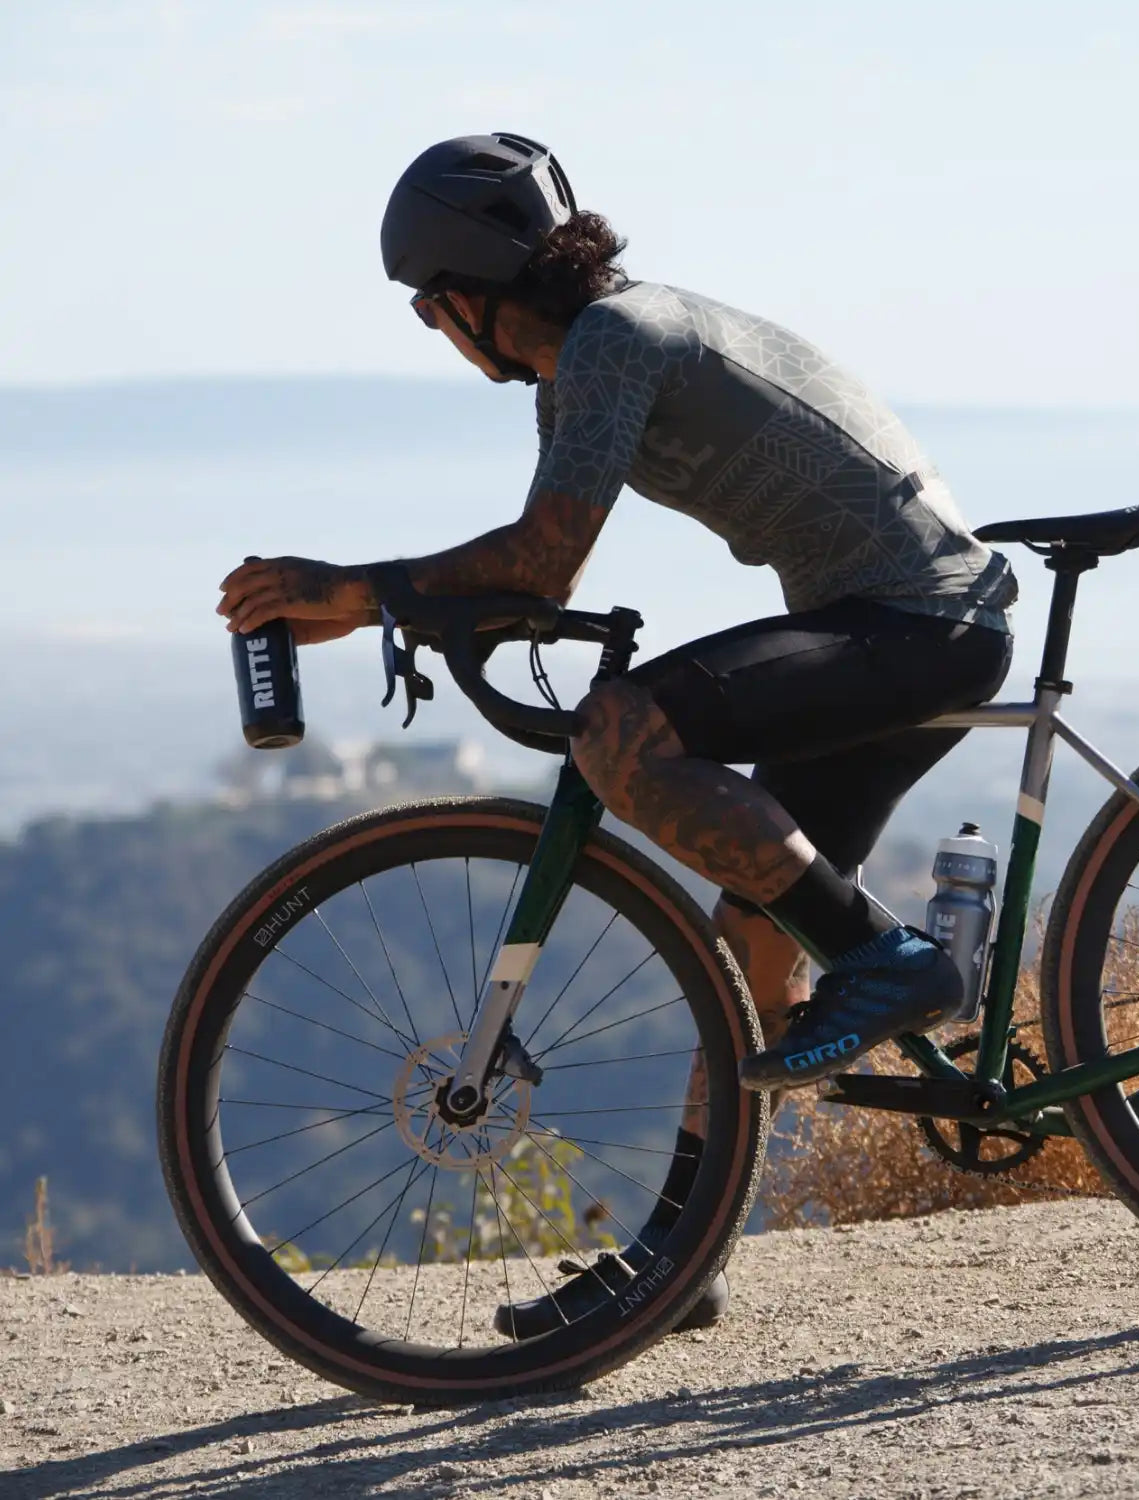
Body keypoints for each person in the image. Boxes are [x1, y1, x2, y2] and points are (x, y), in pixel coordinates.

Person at [217, 132, 1018, 1336]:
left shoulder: (610, 343)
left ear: (467, 302)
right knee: (752, 932)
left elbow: (541, 560)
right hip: (892, 618)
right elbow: (535, 576)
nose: (434, 335)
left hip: (914, 622)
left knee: (625, 732)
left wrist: (354, 587)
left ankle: (901, 964)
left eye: (427, 312)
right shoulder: (607, 341)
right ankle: (679, 1261)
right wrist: (385, 600)